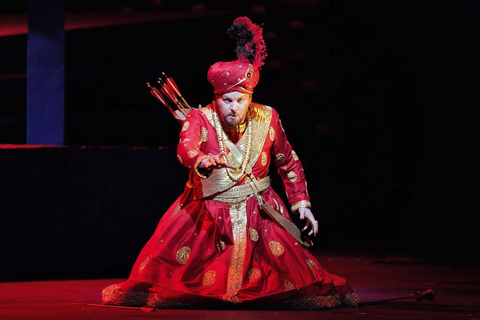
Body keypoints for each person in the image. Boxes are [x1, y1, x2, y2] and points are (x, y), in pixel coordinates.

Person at [102, 16, 360, 310]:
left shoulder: (267, 117)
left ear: (250, 97)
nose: (233, 107)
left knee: (287, 278)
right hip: (208, 213)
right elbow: (185, 148)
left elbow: (288, 163)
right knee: (180, 277)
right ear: (216, 97)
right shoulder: (200, 118)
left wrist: (303, 205)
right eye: (226, 100)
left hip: (260, 211)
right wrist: (203, 159)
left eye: (240, 100)